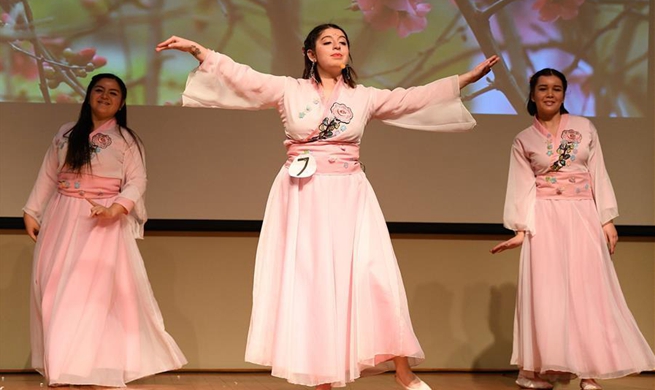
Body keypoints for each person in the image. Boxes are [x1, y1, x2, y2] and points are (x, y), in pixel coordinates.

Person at [156, 24, 498, 389]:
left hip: (350, 193)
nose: (337, 47)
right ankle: (322, 374)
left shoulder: (363, 96)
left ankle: (402, 368)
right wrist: (199, 50)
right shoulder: (290, 89)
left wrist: (465, 78)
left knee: (374, 274)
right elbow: (245, 78)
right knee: (312, 282)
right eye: (327, 42)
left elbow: (411, 98)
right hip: (303, 196)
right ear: (310, 53)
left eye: (343, 42)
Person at [491, 68, 655, 390]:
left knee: (586, 292)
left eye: (556, 88)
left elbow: (598, 173)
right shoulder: (524, 139)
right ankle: (538, 370)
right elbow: (521, 187)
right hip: (544, 218)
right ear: (532, 94)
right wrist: (521, 230)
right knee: (547, 294)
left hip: (582, 215)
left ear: (565, 94)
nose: (549, 94)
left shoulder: (584, 128)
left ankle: (588, 371)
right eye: (542, 88)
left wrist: (606, 219)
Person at [23, 73, 187, 387]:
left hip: (102, 221)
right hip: (61, 215)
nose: (105, 96)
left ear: (122, 102)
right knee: (53, 289)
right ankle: (61, 366)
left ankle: (90, 367)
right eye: (99, 90)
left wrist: (116, 207)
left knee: (89, 295)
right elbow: (48, 173)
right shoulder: (66, 133)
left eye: (113, 92)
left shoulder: (127, 141)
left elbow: (138, 181)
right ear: (88, 96)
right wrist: (32, 209)